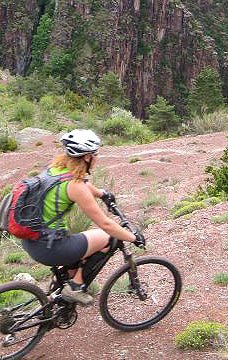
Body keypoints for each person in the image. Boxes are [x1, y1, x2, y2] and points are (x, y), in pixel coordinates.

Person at [20, 128, 140, 305]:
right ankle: (75, 287)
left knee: (81, 247)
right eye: (96, 154)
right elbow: (106, 224)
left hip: (30, 240)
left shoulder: (55, 169)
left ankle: (54, 300)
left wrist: (101, 193)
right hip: (50, 247)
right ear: (87, 157)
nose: (97, 158)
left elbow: (81, 182)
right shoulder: (76, 187)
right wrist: (133, 237)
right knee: (109, 238)